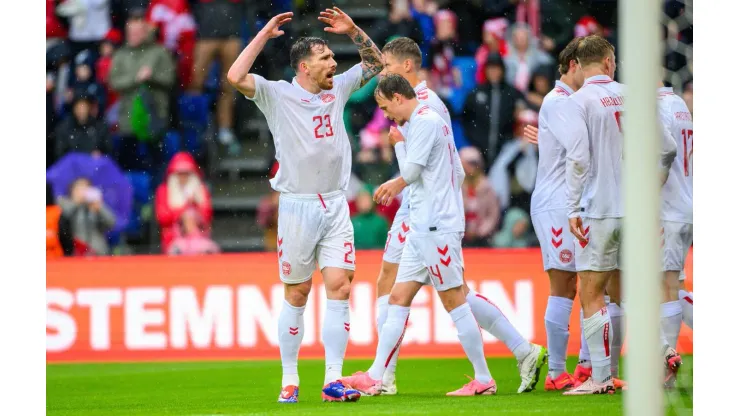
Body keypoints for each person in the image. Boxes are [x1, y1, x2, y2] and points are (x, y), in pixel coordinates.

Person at [226, 7, 384, 403]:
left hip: (335, 204)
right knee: (297, 294)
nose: (334, 63)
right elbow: (234, 76)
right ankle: (289, 378)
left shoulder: (339, 90)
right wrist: (263, 33)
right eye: (326, 58)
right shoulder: (277, 94)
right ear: (304, 66)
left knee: (340, 286)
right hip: (296, 208)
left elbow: (377, 62)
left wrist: (352, 31)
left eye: (333, 56)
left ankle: (333, 379)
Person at [375, 38, 545, 396]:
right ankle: (381, 374)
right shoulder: (417, 106)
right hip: (422, 211)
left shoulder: (426, 107)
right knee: (396, 290)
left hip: (429, 212)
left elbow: (426, 168)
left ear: (406, 68)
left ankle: (503, 362)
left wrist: (405, 173)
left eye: (387, 66)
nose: (384, 72)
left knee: (453, 295)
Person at [341, 74, 496, 397]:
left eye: (385, 107)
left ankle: (483, 378)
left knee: (454, 300)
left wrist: (397, 156)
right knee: (398, 298)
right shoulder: (433, 120)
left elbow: (411, 172)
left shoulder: (424, 121)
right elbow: (454, 169)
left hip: (437, 226)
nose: (387, 117)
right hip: (423, 225)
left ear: (398, 97)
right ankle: (376, 375)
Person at [557, 35, 677, 395]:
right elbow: (667, 149)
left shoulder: (577, 102)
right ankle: (661, 348)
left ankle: (601, 378)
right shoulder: (635, 95)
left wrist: (572, 207)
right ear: (610, 63)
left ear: (581, 63)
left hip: (599, 210)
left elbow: (577, 158)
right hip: (635, 212)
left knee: (592, 292)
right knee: (626, 290)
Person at [528, 37, 584, 391]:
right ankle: (556, 373)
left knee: (586, 284)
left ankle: (587, 368)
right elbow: (580, 150)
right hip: (556, 204)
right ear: (574, 65)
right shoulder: (559, 100)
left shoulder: (568, 103)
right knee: (564, 284)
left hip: (572, 202)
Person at [657, 84, 692, 386]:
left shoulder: (656, 107)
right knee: (675, 286)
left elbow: (665, 148)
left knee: (665, 286)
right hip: (687, 203)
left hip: (668, 209)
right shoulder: (679, 102)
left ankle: (666, 371)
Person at [154, 152, 213, 253]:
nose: (183, 178)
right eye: (180, 174)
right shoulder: (164, 191)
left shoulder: (201, 190)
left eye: (186, 174)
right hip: (173, 238)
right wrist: (183, 211)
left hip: (200, 237)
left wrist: (195, 206)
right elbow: (162, 217)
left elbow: (207, 216)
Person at [58, 177, 117, 256]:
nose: (83, 191)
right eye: (79, 188)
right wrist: (76, 203)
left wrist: (100, 207)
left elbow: (111, 223)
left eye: (86, 188)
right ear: (72, 190)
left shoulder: (94, 205)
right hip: (76, 253)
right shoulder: (64, 203)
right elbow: (62, 223)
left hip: (98, 251)